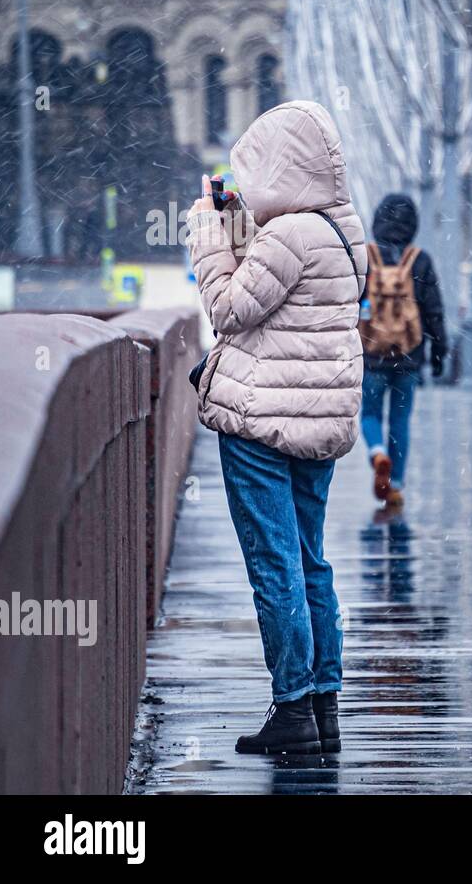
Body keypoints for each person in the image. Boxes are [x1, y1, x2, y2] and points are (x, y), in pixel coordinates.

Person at [187, 100, 367, 755]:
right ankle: (323, 705)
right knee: (311, 562)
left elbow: (232, 310)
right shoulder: (344, 228)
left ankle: (291, 710)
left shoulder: (290, 235)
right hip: (319, 418)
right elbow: (286, 308)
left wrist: (211, 239)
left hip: (264, 419)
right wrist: (242, 233)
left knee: (275, 565)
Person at [359, 193, 448, 507]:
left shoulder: (366, 257)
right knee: (400, 420)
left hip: (372, 354)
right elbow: (434, 312)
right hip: (409, 356)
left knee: (369, 414)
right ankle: (395, 485)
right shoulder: (419, 260)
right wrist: (438, 354)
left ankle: (376, 452)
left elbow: (351, 306)